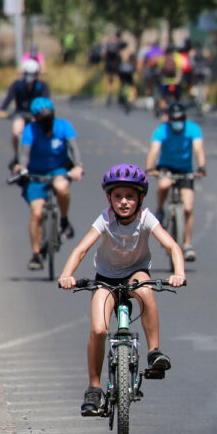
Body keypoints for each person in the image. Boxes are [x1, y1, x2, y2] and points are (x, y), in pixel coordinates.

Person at [57, 164, 185, 416]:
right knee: (98, 329)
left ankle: (154, 353)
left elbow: (172, 246)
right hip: (105, 278)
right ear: (109, 198)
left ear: (141, 198)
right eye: (118, 196)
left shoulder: (146, 218)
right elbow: (80, 249)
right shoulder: (105, 219)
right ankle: (94, 389)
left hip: (135, 273)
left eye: (130, 196)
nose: (124, 202)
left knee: (145, 290)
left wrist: (178, 273)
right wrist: (66, 275)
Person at [14, 97, 83, 270]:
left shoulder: (63, 126)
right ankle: (36, 254)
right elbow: (24, 154)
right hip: (35, 173)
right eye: (43, 119)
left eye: (50, 117)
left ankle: (64, 220)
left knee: (62, 187)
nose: (48, 122)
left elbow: (73, 147)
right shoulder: (30, 130)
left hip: (58, 169)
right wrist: (22, 168)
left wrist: (78, 166)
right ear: (36, 119)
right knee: (37, 212)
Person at [145, 102, 206, 262]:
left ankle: (187, 244)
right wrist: (150, 168)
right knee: (164, 184)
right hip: (166, 167)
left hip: (185, 170)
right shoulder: (162, 130)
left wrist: (201, 167)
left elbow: (198, 149)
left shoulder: (193, 129)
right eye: (174, 119)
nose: (177, 122)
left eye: (180, 118)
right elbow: (154, 150)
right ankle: (160, 209)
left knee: (188, 208)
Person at [0, 59, 51, 170]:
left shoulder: (42, 86)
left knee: (40, 132)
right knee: (16, 131)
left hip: (36, 115)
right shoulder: (17, 85)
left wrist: (43, 115)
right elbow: (9, 98)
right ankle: (17, 155)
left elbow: (47, 102)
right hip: (20, 113)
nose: (30, 77)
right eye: (28, 74)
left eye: (33, 74)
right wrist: (2, 109)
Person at [156, 44, 183, 113]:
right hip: (175, 81)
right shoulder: (178, 57)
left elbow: (160, 71)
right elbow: (180, 70)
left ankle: (163, 110)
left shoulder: (162, 58)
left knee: (162, 96)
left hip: (165, 81)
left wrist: (159, 79)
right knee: (177, 96)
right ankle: (178, 108)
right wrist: (179, 79)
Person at [103, 30, 127, 105]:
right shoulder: (120, 44)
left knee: (110, 80)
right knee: (121, 80)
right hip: (118, 63)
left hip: (110, 63)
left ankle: (110, 95)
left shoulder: (109, 44)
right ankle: (120, 94)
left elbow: (105, 55)